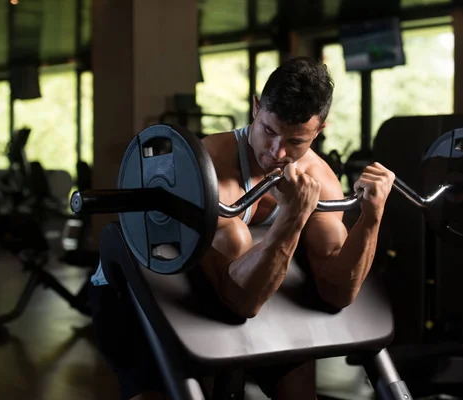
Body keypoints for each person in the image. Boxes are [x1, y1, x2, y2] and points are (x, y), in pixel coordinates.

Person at [88, 56, 395, 400]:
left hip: (243, 290)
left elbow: (338, 292)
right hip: (140, 293)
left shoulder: (319, 178)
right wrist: (292, 216)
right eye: (269, 131)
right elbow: (239, 301)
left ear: (320, 130)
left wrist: (372, 215)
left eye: (295, 141)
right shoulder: (211, 173)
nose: (278, 151)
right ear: (255, 108)